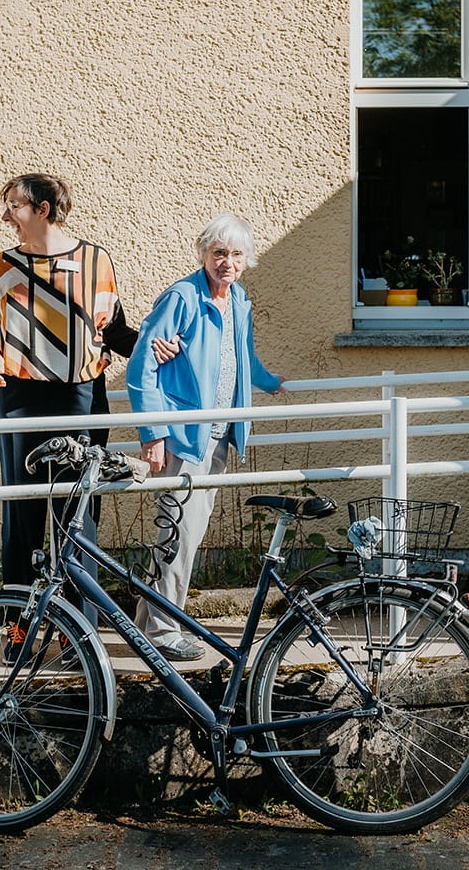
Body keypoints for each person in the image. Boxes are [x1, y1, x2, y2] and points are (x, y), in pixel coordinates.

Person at [0, 173, 144, 604]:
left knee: (78, 517)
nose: (6, 216)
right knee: (21, 516)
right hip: (20, 401)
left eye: (14, 206)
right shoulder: (3, 265)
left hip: (83, 400)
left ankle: (78, 637)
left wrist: (157, 347)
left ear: (43, 209)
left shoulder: (95, 262)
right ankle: (19, 632)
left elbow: (116, 331)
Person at [128, 214, 286, 661]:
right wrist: (153, 432)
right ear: (203, 254)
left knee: (182, 535)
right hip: (182, 437)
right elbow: (142, 367)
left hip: (217, 438)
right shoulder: (181, 298)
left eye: (236, 255)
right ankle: (161, 634)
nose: (227, 263)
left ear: (246, 260)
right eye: (219, 253)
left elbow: (242, 357)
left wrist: (272, 382)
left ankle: (147, 625)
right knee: (178, 536)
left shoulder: (238, 300)